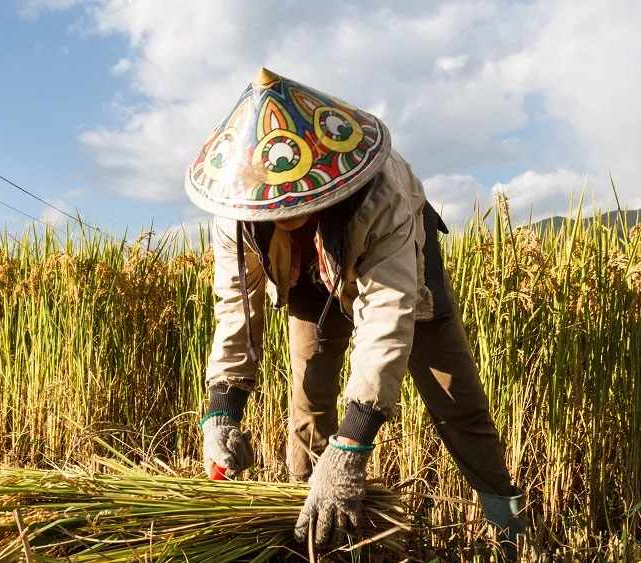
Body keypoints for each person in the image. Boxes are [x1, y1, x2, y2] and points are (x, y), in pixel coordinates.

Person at [184, 67, 525, 557]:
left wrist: (353, 444)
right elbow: (236, 310)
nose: (284, 216)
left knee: (456, 402)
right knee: (307, 398)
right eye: (272, 213)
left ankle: (509, 527)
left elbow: (388, 315)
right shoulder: (235, 215)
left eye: (293, 208)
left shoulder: (380, 192)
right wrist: (221, 413)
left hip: (399, 269)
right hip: (307, 281)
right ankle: (312, 530)